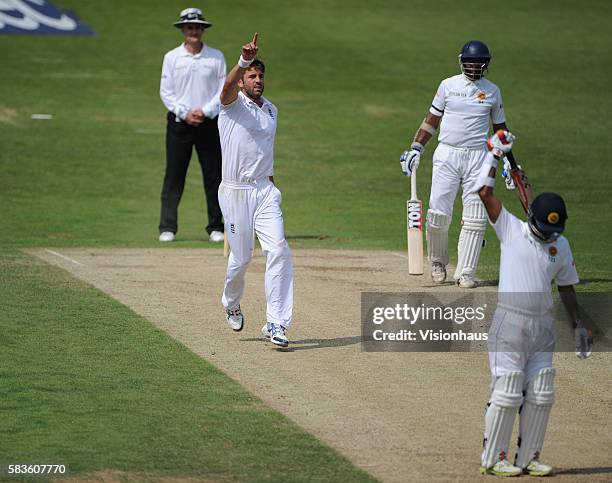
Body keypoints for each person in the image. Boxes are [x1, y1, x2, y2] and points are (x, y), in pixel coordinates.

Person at [475, 131, 593, 477]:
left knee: (542, 393)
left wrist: (578, 324)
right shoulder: (510, 228)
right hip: (509, 324)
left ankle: (529, 458)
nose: (550, 235)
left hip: (542, 327)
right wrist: (494, 155)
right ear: (533, 221)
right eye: (545, 228)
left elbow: (568, 288)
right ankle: (494, 459)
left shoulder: (561, 246)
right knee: (509, 391)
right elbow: (485, 193)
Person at [400, 40, 509, 288]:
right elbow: (431, 120)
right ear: (462, 62)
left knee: (475, 217)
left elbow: (501, 130)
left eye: (478, 63)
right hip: (447, 154)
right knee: (438, 214)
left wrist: (509, 163)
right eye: (470, 62)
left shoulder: (492, 91)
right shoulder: (448, 86)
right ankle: (438, 262)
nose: (474, 67)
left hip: (479, 157)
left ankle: (466, 272)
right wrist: (416, 148)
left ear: (486, 64)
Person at [217, 33, 294, 347]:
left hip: (264, 191)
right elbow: (223, 90)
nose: (258, 80)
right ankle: (230, 301)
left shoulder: (272, 110)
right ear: (242, 81)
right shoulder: (233, 106)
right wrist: (242, 61)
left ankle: (276, 323)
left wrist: (272, 187)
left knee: (279, 251)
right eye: (252, 75)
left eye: (261, 75)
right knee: (242, 259)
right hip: (235, 193)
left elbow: (265, 150)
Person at [158, 8, 226, 243]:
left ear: (202, 29)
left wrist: (205, 111)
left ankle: (216, 226)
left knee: (214, 175)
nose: (194, 31)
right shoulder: (172, 57)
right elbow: (166, 92)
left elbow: (222, 91)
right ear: (183, 30)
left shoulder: (216, 57)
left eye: (197, 27)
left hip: (209, 123)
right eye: (190, 27)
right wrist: (185, 113)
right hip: (180, 124)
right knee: (174, 175)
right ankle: (167, 227)